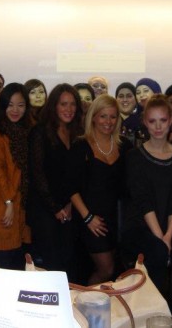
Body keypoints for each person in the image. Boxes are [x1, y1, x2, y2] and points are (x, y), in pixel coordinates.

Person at [121, 95, 172, 321]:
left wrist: (168, 235)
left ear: (170, 120)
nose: (158, 126)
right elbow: (143, 200)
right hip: (141, 226)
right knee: (158, 252)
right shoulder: (135, 157)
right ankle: (155, 313)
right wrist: (161, 238)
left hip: (171, 224)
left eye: (163, 120)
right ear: (145, 122)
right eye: (153, 121)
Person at [66, 95, 132, 284]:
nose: (108, 122)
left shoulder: (125, 146)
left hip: (116, 220)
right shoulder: (80, 146)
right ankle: (83, 300)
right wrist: (88, 218)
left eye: (113, 116)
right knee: (106, 269)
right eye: (103, 116)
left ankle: (99, 302)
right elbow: (71, 187)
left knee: (116, 272)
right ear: (93, 117)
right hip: (90, 220)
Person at [28, 84, 83, 278]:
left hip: (69, 208)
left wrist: (70, 204)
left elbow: (77, 175)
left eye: (73, 104)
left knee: (70, 263)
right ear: (54, 106)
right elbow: (37, 174)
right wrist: (55, 208)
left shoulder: (77, 133)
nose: (69, 109)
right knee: (53, 267)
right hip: (44, 209)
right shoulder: (39, 132)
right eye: (63, 104)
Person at [0, 83, 31, 271]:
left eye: (20, 105)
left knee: (18, 267)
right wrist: (8, 201)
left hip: (21, 208)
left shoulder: (24, 131)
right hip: (3, 206)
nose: (15, 110)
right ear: (2, 106)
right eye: (10, 105)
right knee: (2, 266)